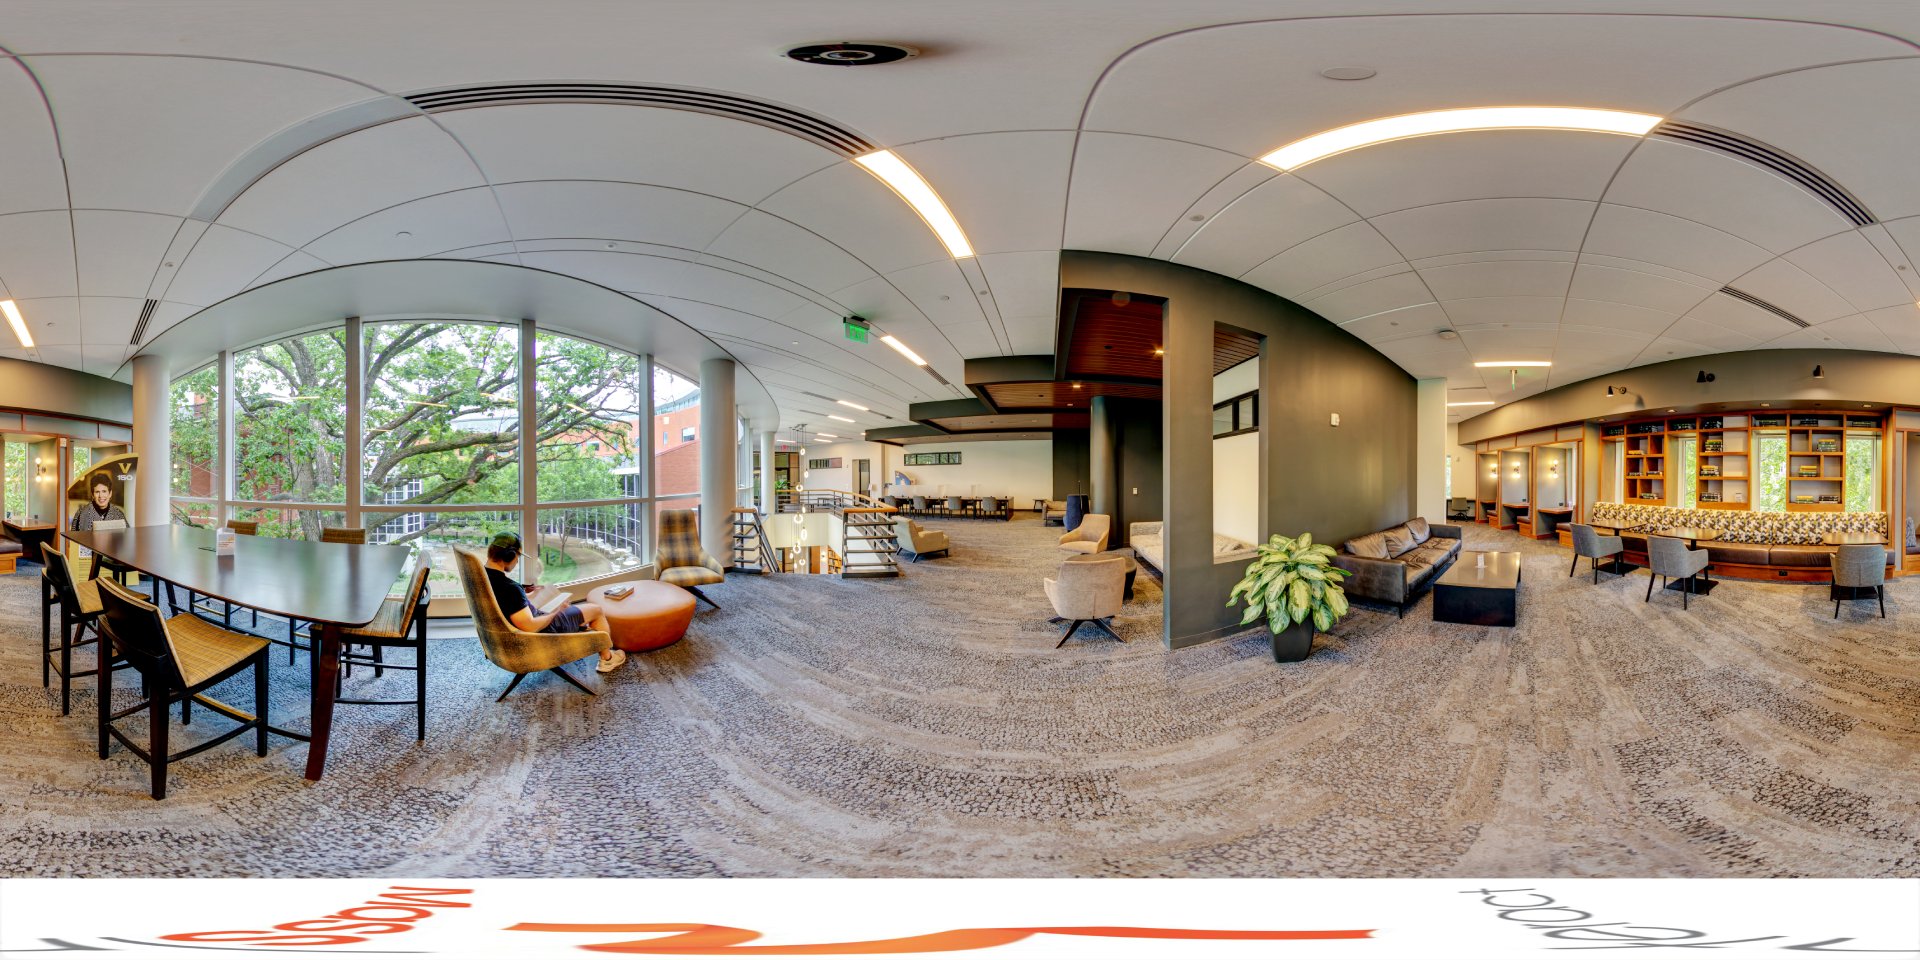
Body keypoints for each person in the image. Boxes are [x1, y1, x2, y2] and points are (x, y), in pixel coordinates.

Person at [483, 532, 625, 673]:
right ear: (510, 556)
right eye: (518, 557)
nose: (517, 562)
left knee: (574, 612)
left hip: (510, 635)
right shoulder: (510, 588)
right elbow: (530, 627)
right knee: (596, 610)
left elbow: (510, 604)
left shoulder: (483, 578)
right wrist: (557, 610)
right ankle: (607, 659)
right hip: (543, 633)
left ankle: (581, 632)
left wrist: (527, 595)